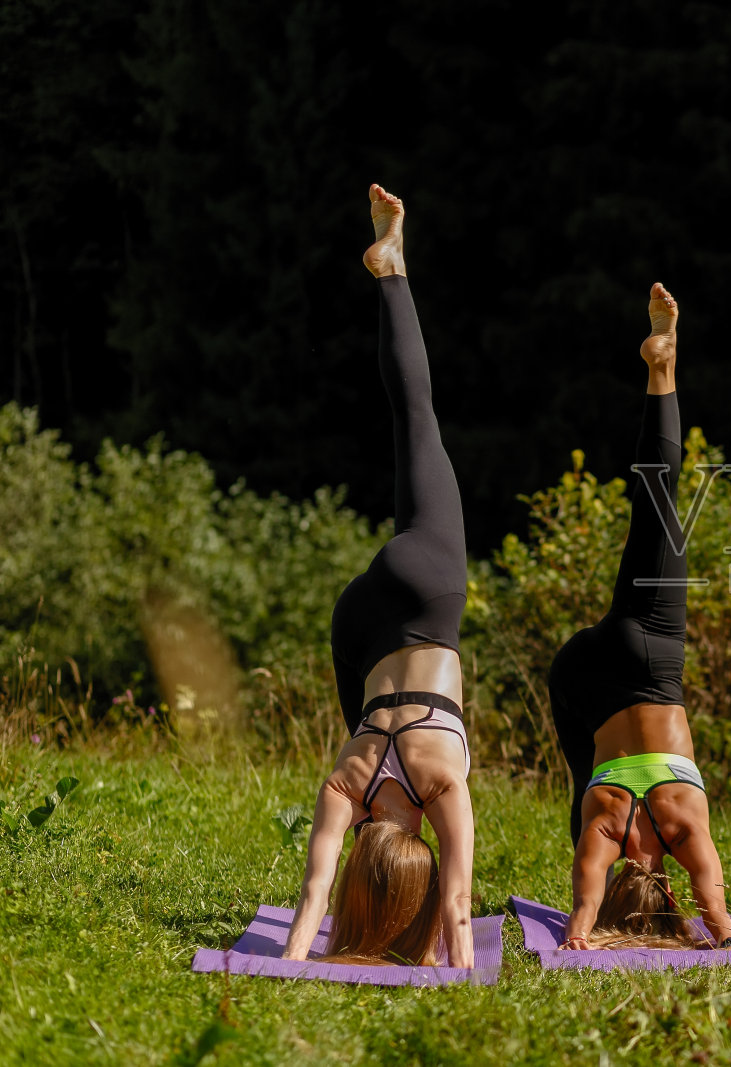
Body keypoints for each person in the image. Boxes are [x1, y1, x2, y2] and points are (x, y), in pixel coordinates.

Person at [283, 184, 475, 967]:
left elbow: (460, 909)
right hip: (357, 623)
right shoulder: (346, 784)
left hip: (426, 594)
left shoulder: (439, 784)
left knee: (416, 419)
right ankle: (389, 265)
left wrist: (458, 966)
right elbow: (309, 902)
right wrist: (294, 954)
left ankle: (391, 267)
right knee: (413, 428)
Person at [549, 283, 731, 951]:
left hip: (650, 662)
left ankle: (663, 365)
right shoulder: (604, 831)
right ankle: (661, 361)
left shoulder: (682, 823)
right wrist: (580, 931)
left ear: (664, 895)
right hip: (579, 679)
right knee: (582, 781)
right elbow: (582, 901)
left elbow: (716, 906)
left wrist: (714, 927)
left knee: (659, 504)